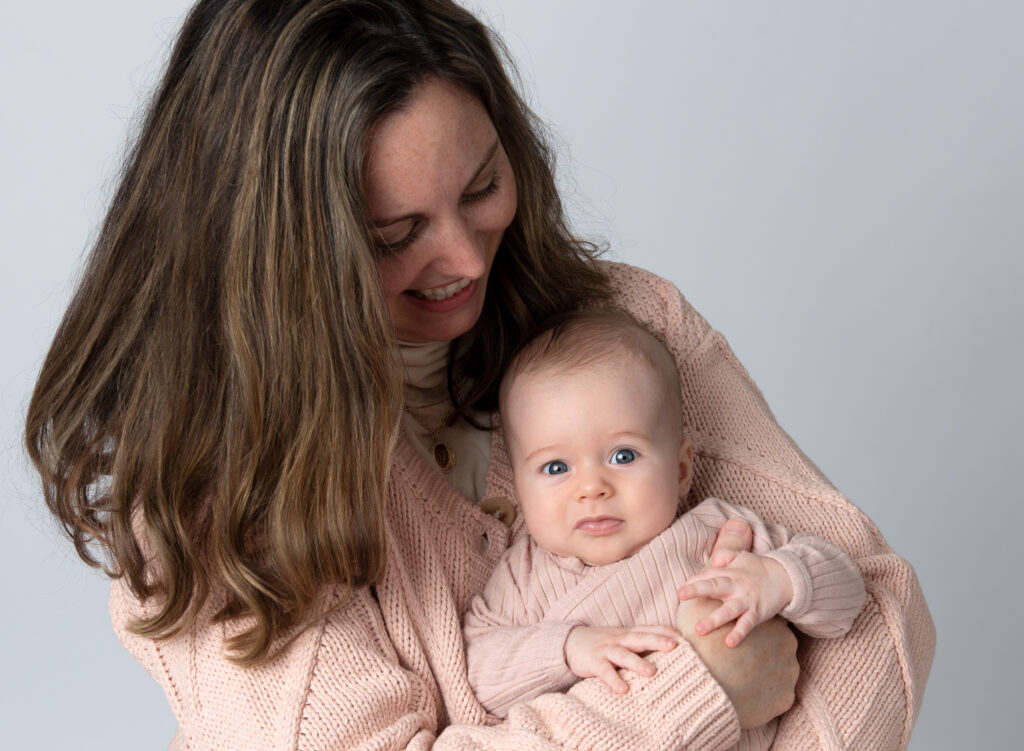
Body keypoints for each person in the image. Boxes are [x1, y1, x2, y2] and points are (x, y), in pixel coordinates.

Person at [24, 0, 934, 748]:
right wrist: (698, 697)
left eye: (481, 186)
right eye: (394, 235)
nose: (463, 256)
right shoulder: (207, 489)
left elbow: (877, 605)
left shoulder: (631, 328)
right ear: (280, 256)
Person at [463, 308, 866, 751]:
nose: (592, 488)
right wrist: (568, 647)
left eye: (623, 456)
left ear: (680, 469)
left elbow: (849, 598)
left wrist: (783, 579)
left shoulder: (719, 536)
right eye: (556, 467)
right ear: (519, 488)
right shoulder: (522, 574)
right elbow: (480, 676)